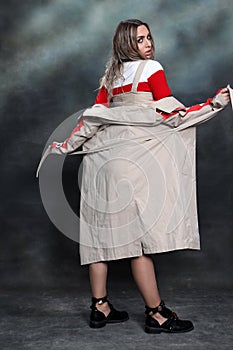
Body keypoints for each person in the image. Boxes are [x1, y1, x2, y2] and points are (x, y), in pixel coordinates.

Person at [37, 19, 231, 334]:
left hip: (100, 165)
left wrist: (64, 147)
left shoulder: (109, 79)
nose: (149, 43)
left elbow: (90, 123)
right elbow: (171, 115)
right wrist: (214, 104)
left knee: (98, 238)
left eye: (149, 37)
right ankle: (157, 314)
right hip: (133, 164)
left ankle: (100, 307)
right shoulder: (152, 68)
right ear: (128, 44)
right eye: (141, 39)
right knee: (138, 244)